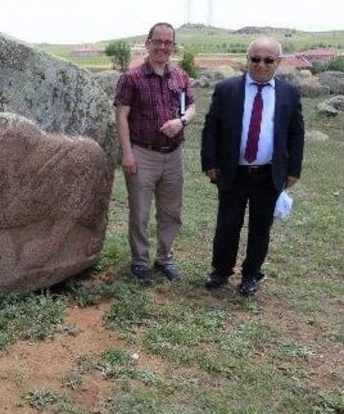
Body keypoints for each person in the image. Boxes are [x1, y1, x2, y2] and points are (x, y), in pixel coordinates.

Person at [201, 37, 304, 296]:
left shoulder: (289, 94)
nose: (260, 65)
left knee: (260, 229)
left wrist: (293, 170)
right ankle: (221, 271)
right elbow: (211, 127)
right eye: (255, 59)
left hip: (268, 173)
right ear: (247, 60)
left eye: (268, 60)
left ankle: (251, 275)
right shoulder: (227, 89)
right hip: (233, 172)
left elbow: (296, 133)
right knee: (227, 225)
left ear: (278, 62)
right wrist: (210, 162)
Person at [114, 22, 196, 282]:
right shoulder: (132, 78)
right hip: (142, 154)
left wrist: (180, 122)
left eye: (168, 42)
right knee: (139, 212)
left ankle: (164, 258)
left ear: (173, 46)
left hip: (173, 156)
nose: (162, 47)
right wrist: (127, 154)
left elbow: (192, 107)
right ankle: (140, 261)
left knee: (171, 211)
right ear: (147, 43)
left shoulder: (180, 76)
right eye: (157, 41)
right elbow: (121, 116)